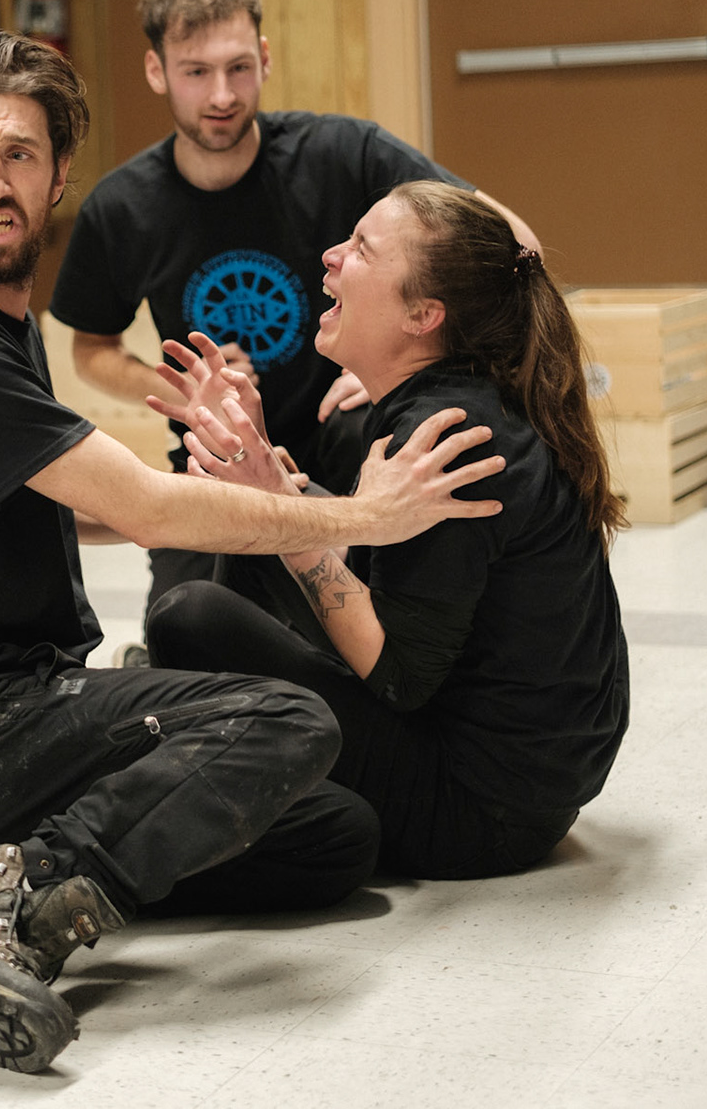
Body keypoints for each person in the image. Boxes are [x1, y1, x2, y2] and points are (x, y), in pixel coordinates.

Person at [0, 29, 508, 1073]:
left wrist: (249, 487)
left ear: (59, 175)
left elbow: (80, 508)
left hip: (1, 718)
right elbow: (148, 510)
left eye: (19, 154)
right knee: (286, 720)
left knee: (333, 835)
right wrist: (362, 517)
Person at [144, 180, 630, 880]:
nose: (331, 256)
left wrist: (281, 519)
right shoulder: (462, 397)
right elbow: (382, 568)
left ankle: (214, 783)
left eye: (362, 249)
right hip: (526, 784)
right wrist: (267, 481)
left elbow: (401, 677)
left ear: (423, 315)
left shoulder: (447, 438)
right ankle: (233, 759)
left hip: (479, 812)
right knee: (264, 532)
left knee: (191, 616)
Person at [49, 0, 538, 617]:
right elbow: (91, 351)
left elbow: (518, 247)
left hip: (349, 443)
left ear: (265, 58)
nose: (221, 94)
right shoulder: (120, 207)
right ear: (156, 71)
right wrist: (189, 392)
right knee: (184, 622)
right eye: (195, 72)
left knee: (362, 618)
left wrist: (403, 365)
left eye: (238, 68)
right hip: (215, 460)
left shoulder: (343, 152)